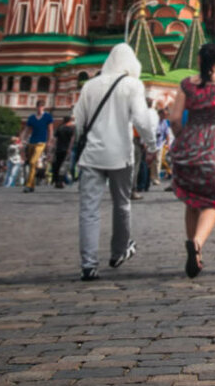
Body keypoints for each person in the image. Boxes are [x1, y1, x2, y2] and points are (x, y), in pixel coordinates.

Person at [73, 43, 158, 282]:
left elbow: (79, 122)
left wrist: (82, 143)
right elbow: (142, 120)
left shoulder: (89, 86)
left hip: (91, 155)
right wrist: (151, 146)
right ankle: (119, 251)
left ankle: (88, 265)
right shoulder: (132, 85)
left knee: (88, 211)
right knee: (122, 205)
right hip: (121, 155)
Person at [168, 43, 215, 278]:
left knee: (192, 200)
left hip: (191, 141)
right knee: (213, 201)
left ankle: (195, 253)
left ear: (199, 60)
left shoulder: (187, 85)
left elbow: (175, 119)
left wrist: (183, 139)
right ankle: (197, 242)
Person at [21, 99, 55, 192]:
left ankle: (28, 185)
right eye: (39, 106)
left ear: (44, 107)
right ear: (36, 107)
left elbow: (50, 130)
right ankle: (32, 185)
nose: (40, 108)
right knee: (32, 164)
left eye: (42, 106)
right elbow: (27, 129)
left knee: (32, 162)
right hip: (32, 142)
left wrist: (49, 141)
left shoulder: (48, 117)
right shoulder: (32, 117)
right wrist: (23, 138)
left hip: (41, 143)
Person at [50, 117, 76, 188]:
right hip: (66, 149)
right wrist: (69, 149)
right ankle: (60, 182)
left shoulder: (59, 128)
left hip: (58, 149)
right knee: (64, 166)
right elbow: (72, 140)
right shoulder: (70, 130)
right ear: (69, 121)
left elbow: (55, 139)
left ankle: (57, 182)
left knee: (58, 165)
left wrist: (53, 149)